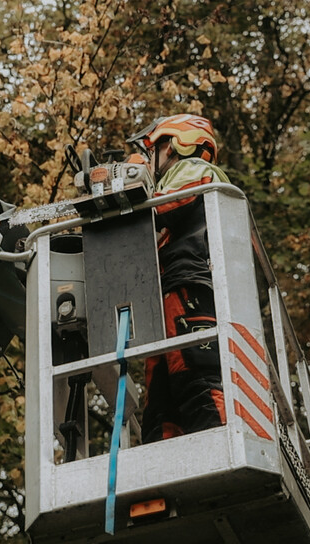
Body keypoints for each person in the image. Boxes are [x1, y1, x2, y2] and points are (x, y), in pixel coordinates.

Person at [125, 114, 231, 443]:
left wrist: (131, 189)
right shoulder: (174, 218)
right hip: (170, 296)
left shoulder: (196, 171)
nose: (148, 162)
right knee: (160, 399)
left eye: (151, 153)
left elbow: (166, 206)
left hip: (191, 289)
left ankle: (221, 445)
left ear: (171, 146)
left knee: (198, 377)